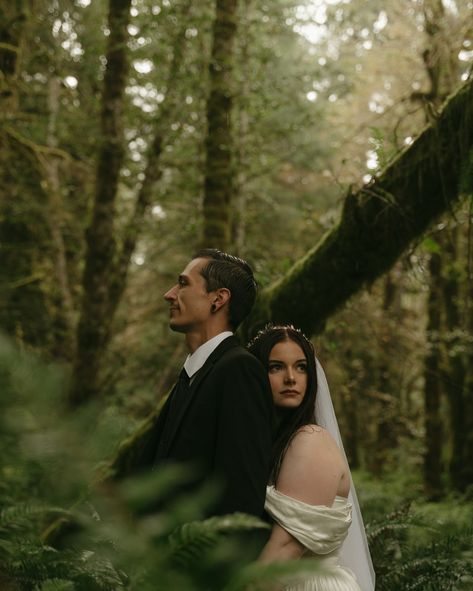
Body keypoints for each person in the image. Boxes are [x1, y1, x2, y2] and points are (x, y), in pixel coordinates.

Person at [248, 325, 375, 591]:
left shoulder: (310, 442)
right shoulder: (273, 445)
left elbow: (283, 552)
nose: (291, 378)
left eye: (301, 367)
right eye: (276, 367)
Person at [152, 248, 273, 518]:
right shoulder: (192, 374)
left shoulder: (240, 371)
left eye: (183, 283)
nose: (169, 294)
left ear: (218, 299)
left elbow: (242, 500)